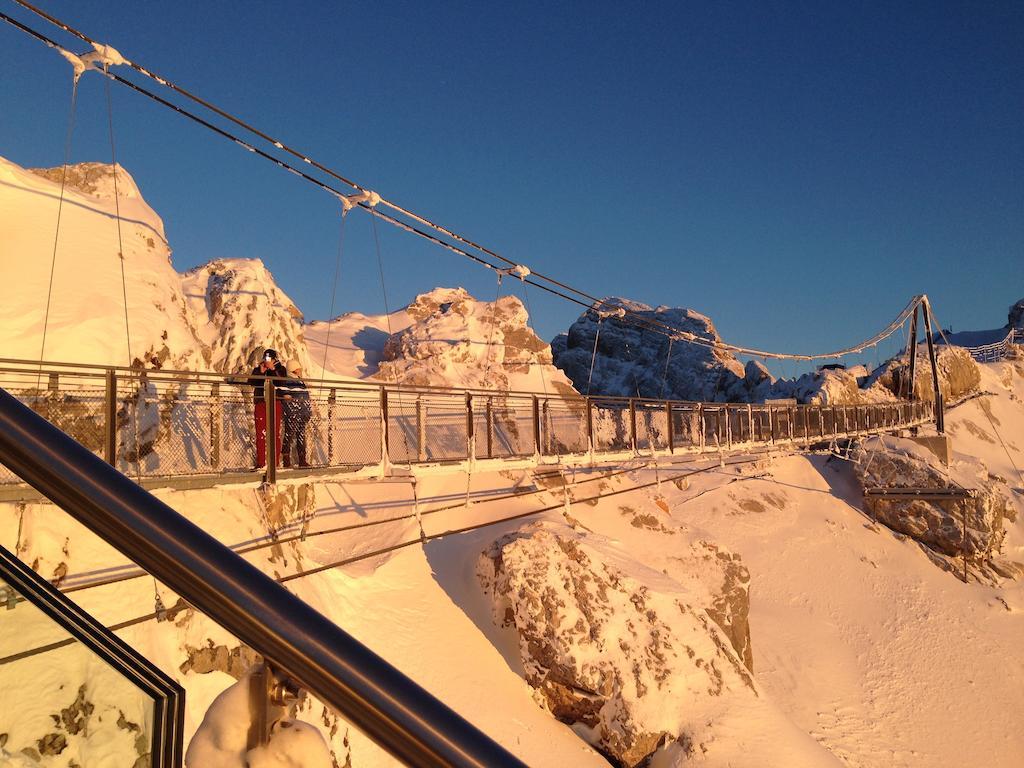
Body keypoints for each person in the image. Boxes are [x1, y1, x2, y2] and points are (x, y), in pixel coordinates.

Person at [248, 348, 288, 469]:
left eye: (269, 358)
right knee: (260, 434)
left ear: (275, 359)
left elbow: (281, 382)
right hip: (261, 402)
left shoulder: (280, 369)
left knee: (275, 433)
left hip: (275, 402)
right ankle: (261, 463)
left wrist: (273, 369)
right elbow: (251, 382)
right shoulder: (258, 369)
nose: (267, 360)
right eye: (265, 358)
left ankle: (274, 464)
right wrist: (260, 372)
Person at [280, 365, 312, 468]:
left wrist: (307, 410)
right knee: (289, 434)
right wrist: (293, 408)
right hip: (293, 412)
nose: (300, 370)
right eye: (299, 368)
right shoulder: (288, 380)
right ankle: (286, 459)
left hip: (301, 412)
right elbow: (286, 395)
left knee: (300, 435)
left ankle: (302, 459)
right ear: (294, 369)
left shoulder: (299, 380)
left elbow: (304, 396)